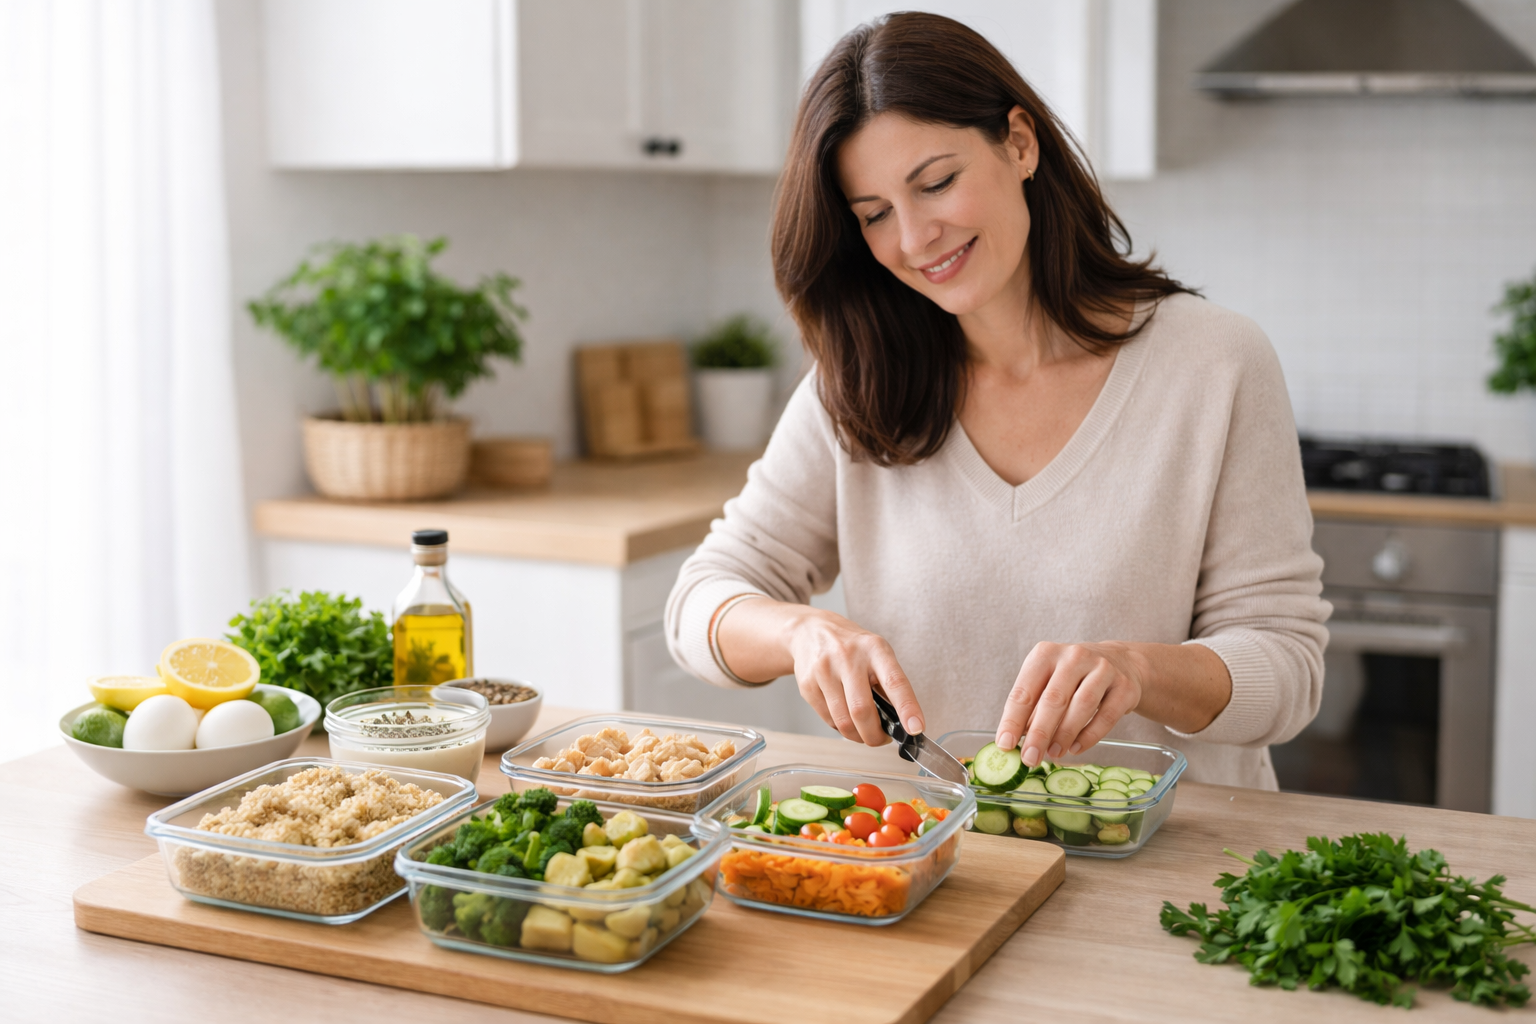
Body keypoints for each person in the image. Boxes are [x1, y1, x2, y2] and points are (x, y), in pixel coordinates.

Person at [663, 12, 1329, 788]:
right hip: (949, 873)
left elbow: (1287, 665)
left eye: (937, 182)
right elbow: (699, 605)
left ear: (1019, 142)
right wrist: (800, 633)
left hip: (1172, 876)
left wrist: (1140, 672)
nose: (914, 239)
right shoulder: (862, 382)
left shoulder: (1214, 363)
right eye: (874, 214)